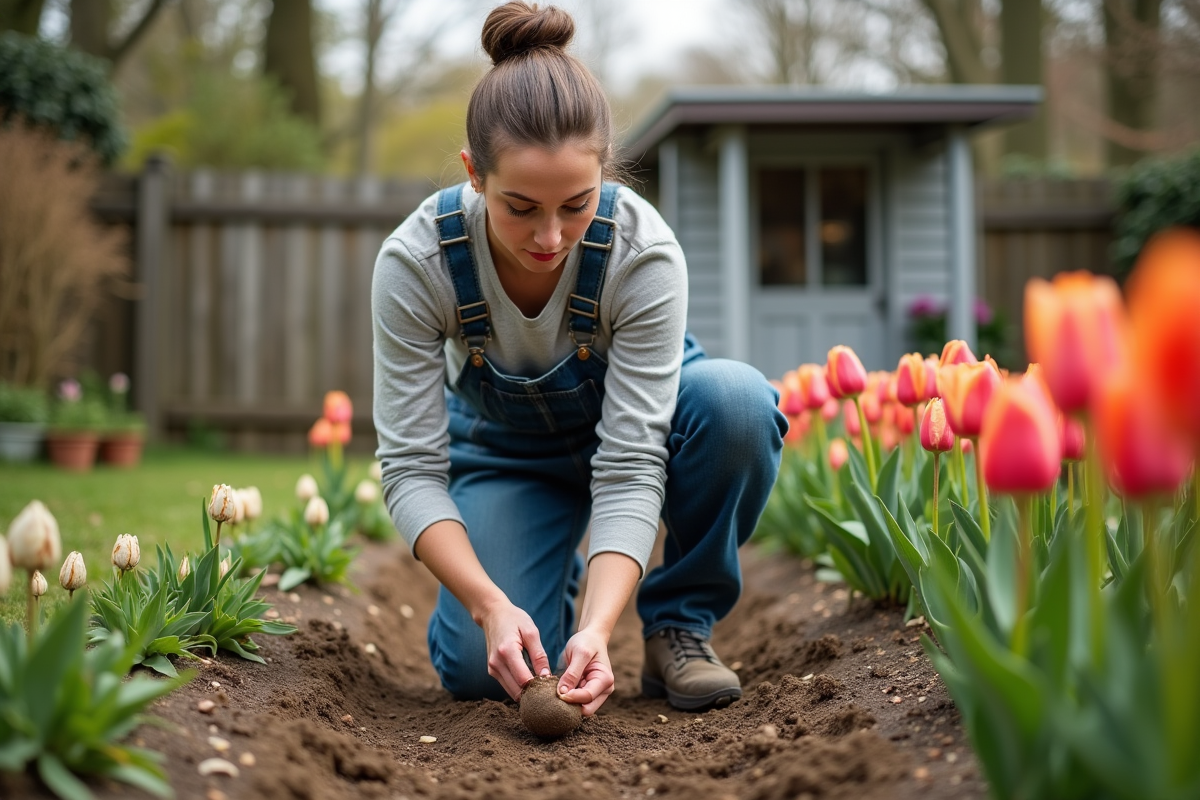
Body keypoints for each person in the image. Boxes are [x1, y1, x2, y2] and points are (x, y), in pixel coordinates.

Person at [372, 0, 786, 717]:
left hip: (640, 433)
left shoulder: (642, 254)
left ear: (607, 174)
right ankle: (535, 590)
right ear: (474, 174)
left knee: (739, 406)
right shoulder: (417, 263)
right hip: (507, 454)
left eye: (577, 203)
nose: (551, 236)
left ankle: (678, 625)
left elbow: (630, 463)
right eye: (520, 206)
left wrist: (599, 631)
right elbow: (410, 468)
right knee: (478, 671)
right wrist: (489, 604)